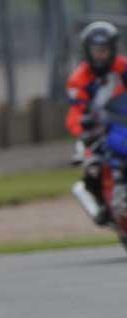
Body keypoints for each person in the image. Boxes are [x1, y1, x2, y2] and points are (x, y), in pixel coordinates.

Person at [66, 21, 127, 224]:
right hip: (96, 130)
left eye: (105, 50)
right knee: (92, 167)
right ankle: (100, 204)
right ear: (87, 51)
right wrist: (81, 128)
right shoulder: (79, 78)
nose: (100, 55)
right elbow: (76, 110)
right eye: (96, 50)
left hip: (122, 125)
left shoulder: (123, 68)